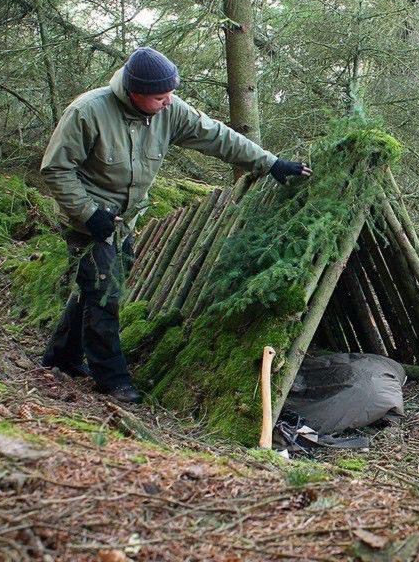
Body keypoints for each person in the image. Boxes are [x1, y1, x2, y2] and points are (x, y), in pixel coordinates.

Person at [40, 47, 312, 403]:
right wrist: (89, 214)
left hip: (125, 220)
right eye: (159, 97)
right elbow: (56, 170)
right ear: (134, 92)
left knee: (96, 286)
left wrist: (270, 163)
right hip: (88, 220)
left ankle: (61, 356)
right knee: (106, 294)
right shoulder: (88, 112)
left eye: (170, 94)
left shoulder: (168, 110)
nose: (168, 102)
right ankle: (111, 378)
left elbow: (217, 136)